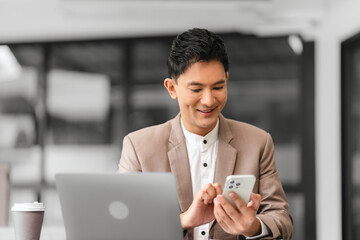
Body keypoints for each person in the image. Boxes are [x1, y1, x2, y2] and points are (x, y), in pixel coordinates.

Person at [118, 28, 293, 240]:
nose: (209, 100)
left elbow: (281, 218)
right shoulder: (138, 147)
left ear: (226, 80)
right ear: (172, 88)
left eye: (218, 86)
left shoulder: (258, 142)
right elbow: (124, 225)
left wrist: (253, 227)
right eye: (196, 89)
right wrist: (184, 220)